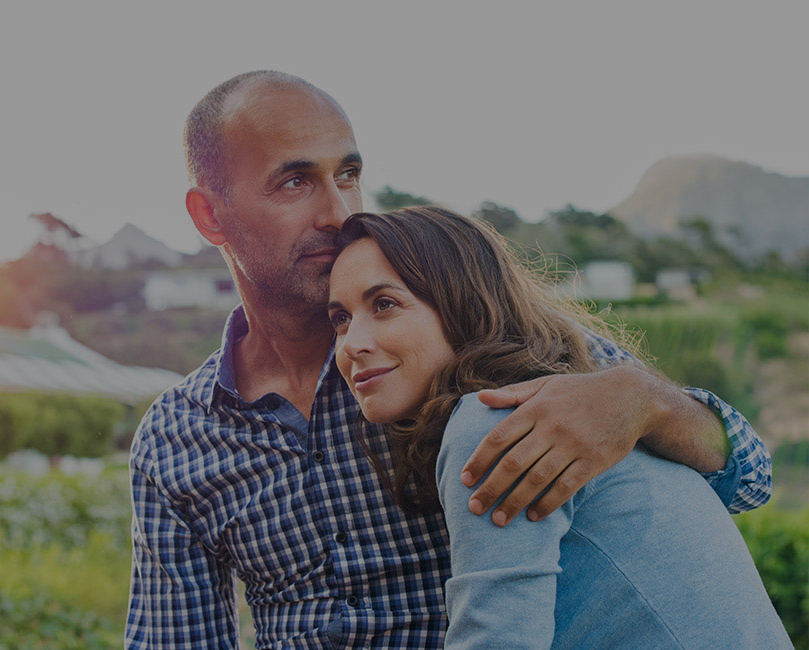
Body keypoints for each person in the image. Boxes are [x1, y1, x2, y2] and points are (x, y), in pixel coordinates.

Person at [126, 70, 771, 648]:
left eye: (348, 174)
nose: (339, 211)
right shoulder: (174, 440)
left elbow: (748, 477)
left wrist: (644, 401)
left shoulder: (486, 352)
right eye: (295, 181)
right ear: (210, 215)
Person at [327, 206, 791, 649]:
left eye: (385, 304)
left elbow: (498, 642)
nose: (352, 344)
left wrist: (651, 397)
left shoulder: (498, 419)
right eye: (341, 319)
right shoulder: (569, 397)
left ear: (460, 305)